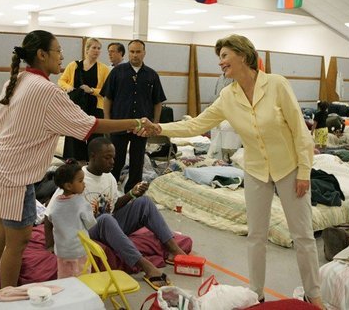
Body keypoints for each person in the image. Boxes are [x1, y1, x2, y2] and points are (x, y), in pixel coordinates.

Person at [139, 34, 325, 308]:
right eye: (220, 58)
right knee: (256, 236)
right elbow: (196, 125)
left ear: (243, 55)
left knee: (303, 235)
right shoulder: (228, 95)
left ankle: (314, 294)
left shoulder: (276, 84)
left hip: (290, 167)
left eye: (225, 56)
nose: (221, 62)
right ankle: (256, 294)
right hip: (256, 170)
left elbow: (300, 130)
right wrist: (160, 128)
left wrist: (304, 172)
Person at [0, 30, 153, 297]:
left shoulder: (18, 79)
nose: (62, 56)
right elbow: (92, 124)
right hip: (13, 173)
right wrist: (136, 122)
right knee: (17, 240)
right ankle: (5, 299)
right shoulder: (47, 90)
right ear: (42, 55)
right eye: (58, 51)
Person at [48, 137, 186, 290]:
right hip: (88, 229)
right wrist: (49, 245)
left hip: (109, 224)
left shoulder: (109, 177)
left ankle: (174, 250)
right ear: (93, 156)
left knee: (144, 202)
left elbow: (113, 206)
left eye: (113, 157)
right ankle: (145, 266)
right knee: (106, 219)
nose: (112, 162)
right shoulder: (77, 179)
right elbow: (51, 212)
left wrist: (131, 194)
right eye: (107, 158)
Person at [101, 39, 167, 193]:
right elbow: (107, 98)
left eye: (138, 51)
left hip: (142, 127)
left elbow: (157, 103)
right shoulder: (117, 72)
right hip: (119, 123)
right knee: (115, 161)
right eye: (132, 51)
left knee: (137, 162)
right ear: (128, 52)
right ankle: (110, 190)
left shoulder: (151, 75)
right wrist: (107, 122)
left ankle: (132, 193)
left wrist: (155, 124)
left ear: (144, 53)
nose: (135, 55)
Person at [58, 37, 109, 162]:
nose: (96, 51)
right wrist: (68, 87)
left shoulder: (103, 69)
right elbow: (61, 81)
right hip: (76, 106)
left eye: (99, 49)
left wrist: (91, 90)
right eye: (94, 48)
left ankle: (93, 163)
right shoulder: (73, 65)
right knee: (75, 136)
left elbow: (106, 90)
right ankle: (74, 163)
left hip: (94, 106)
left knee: (95, 136)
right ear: (87, 49)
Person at [44, 160, 96, 279]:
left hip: (62, 251)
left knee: (64, 277)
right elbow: (91, 223)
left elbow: (51, 217)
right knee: (84, 277)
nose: (84, 184)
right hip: (78, 249)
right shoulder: (80, 202)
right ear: (68, 185)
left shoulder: (56, 202)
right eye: (81, 181)